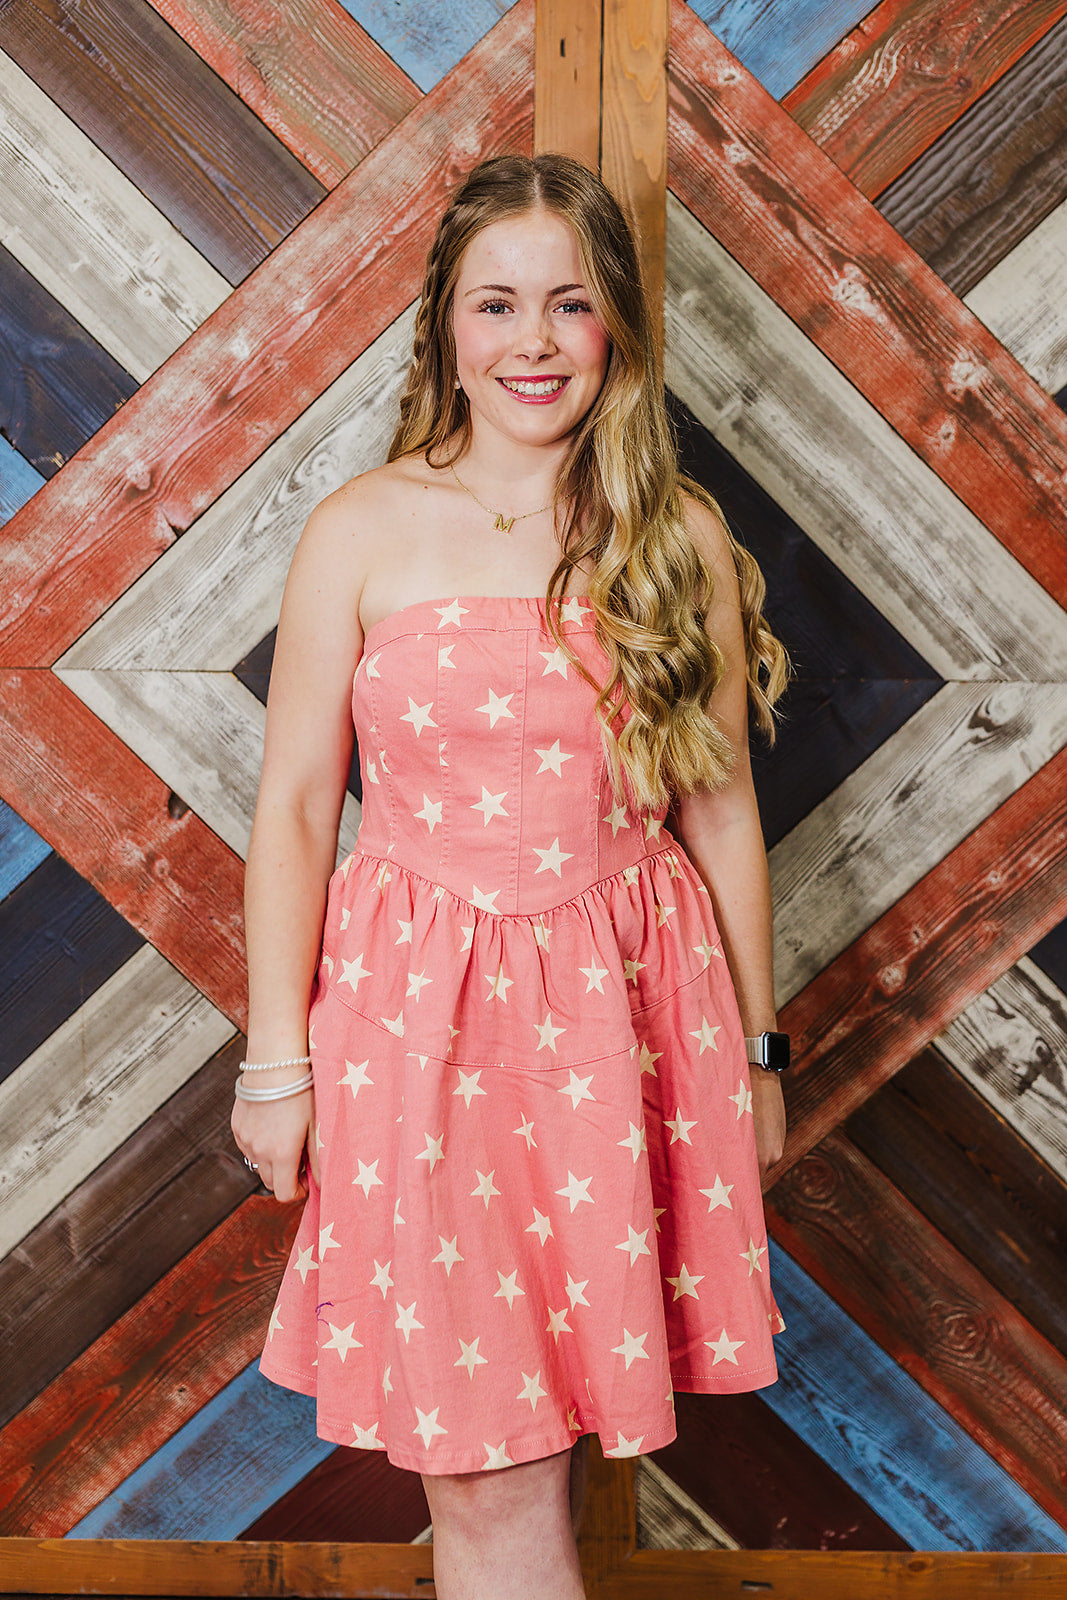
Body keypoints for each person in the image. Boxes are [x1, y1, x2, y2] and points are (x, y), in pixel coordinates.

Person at [233, 152, 790, 1600]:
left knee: (541, 1454)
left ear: (617, 327)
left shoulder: (677, 536)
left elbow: (721, 809)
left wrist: (759, 1056)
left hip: (627, 1023)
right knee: (482, 1467)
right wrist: (276, 1066)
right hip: (422, 1030)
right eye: (497, 304)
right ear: (446, 324)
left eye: (570, 302)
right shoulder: (360, 528)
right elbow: (296, 806)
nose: (533, 342)